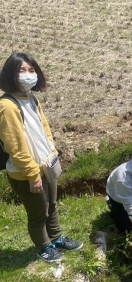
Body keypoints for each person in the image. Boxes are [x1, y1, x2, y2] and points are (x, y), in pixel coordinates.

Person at [0, 52, 83, 263]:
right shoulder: (7, 106)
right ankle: (44, 247)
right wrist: (32, 174)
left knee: (52, 205)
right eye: (22, 71)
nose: (28, 75)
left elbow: (45, 130)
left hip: (46, 165)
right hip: (26, 172)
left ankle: (56, 239)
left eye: (31, 70)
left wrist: (53, 154)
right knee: (38, 213)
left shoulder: (31, 99)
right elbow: (15, 146)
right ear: (10, 75)